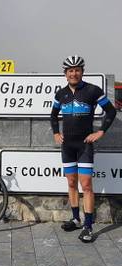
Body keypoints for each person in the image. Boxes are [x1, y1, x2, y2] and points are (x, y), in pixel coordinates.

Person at [50, 55, 116, 242]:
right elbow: (53, 115)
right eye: (70, 70)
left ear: (82, 72)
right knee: (71, 183)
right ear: (65, 74)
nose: (74, 73)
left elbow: (110, 110)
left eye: (77, 70)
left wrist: (101, 132)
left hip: (85, 145)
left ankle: (88, 226)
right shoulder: (60, 94)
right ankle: (75, 218)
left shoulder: (92, 91)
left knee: (86, 185)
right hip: (67, 145)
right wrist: (56, 133)